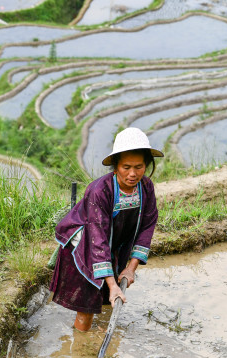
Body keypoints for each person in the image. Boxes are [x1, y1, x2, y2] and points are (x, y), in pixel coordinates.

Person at [50, 127, 162, 331]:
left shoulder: (146, 187)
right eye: (126, 166)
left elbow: (148, 225)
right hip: (86, 246)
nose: (132, 174)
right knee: (87, 306)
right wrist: (112, 284)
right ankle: (80, 350)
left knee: (106, 298)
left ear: (147, 165)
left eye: (139, 167)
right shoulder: (99, 191)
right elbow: (97, 239)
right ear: (115, 165)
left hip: (113, 245)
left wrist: (131, 268)